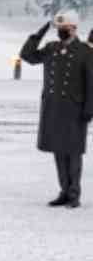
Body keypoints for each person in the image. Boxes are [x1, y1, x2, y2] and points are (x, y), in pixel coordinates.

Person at [20, 11, 93, 208]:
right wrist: (40, 33)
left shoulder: (85, 51)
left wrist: (89, 109)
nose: (61, 32)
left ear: (74, 29)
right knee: (58, 152)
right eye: (59, 29)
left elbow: (91, 83)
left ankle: (74, 194)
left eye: (65, 29)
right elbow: (27, 56)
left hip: (74, 109)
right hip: (53, 108)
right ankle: (64, 191)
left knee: (73, 152)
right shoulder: (51, 48)